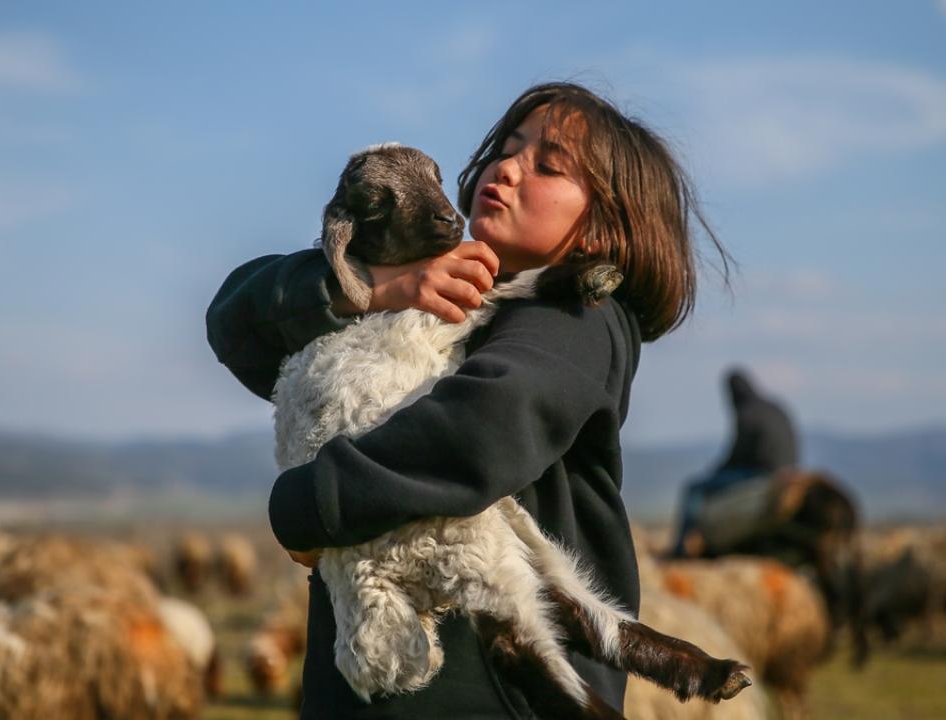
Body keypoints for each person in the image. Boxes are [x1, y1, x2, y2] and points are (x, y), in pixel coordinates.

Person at [206, 82, 726, 719]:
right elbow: (234, 324)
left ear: (599, 230)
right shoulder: (421, 303)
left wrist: (310, 503)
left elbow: (480, 430)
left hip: (492, 697)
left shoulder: (578, 314)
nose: (506, 168)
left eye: (549, 166)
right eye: (506, 149)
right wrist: (371, 287)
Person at [673, 367, 799, 558]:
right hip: (789, 472)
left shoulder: (747, 412)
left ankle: (680, 548)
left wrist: (716, 472)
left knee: (694, 489)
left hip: (760, 474)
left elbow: (738, 454)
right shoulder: (774, 407)